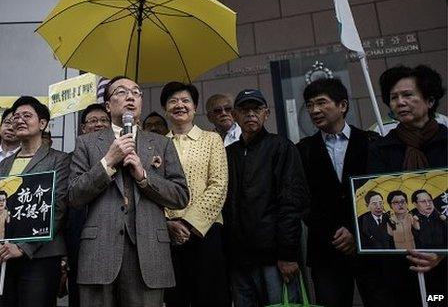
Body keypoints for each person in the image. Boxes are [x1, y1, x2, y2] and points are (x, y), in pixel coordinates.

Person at [69, 76, 189, 307]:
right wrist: (107, 162)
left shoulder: (161, 143)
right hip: (99, 251)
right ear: (108, 105)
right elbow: (74, 195)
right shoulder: (86, 143)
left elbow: (180, 196)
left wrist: (144, 177)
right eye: (121, 92)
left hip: (148, 252)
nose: (131, 96)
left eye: (136, 92)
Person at [296, 78, 386, 307]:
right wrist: (335, 231)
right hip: (326, 249)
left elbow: (380, 191)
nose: (314, 110)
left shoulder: (371, 142)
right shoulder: (303, 150)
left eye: (321, 103)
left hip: (371, 245)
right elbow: (302, 200)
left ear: (342, 105)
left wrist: (355, 232)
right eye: (309, 105)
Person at [368, 65, 447, 306]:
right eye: (393, 97)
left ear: (430, 100)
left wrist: (441, 252)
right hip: (400, 269)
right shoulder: (381, 149)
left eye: (408, 95)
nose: (400, 102)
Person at [223, 89, 308, 307]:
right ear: (235, 115)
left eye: (257, 109)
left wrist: (288, 254)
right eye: (244, 109)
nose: (251, 114)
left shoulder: (281, 147)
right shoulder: (228, 153)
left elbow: (291, 202)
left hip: (275, 258)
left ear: (266, 114)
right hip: (238, 258)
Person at [0, 96, 70, 307]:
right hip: (0, 254)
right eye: (15, 117)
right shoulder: (2, 165)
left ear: (42, 123)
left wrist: (22, 247)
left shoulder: (59, 160)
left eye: (27, 116)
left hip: (39, 256)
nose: (19, 120)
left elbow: (57, 209)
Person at [159, 82, 229, 307]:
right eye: (173, 101)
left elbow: (218, 185)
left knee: (210, 297)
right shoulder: (157, 144)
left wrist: (189, 224)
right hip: (168, 233)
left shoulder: (212, 139)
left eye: (185, 100)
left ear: (195, 107)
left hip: (205, 230)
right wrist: (168, 223)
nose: (180, 105)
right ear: (165, 109)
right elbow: (153, 189)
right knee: (175, 298)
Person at [66, 102, 111, 307]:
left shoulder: (125, 156)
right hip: (79, 235)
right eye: (93, 121)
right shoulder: (69, 159)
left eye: (104, 120)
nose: (99, 124)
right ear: (83, 128)